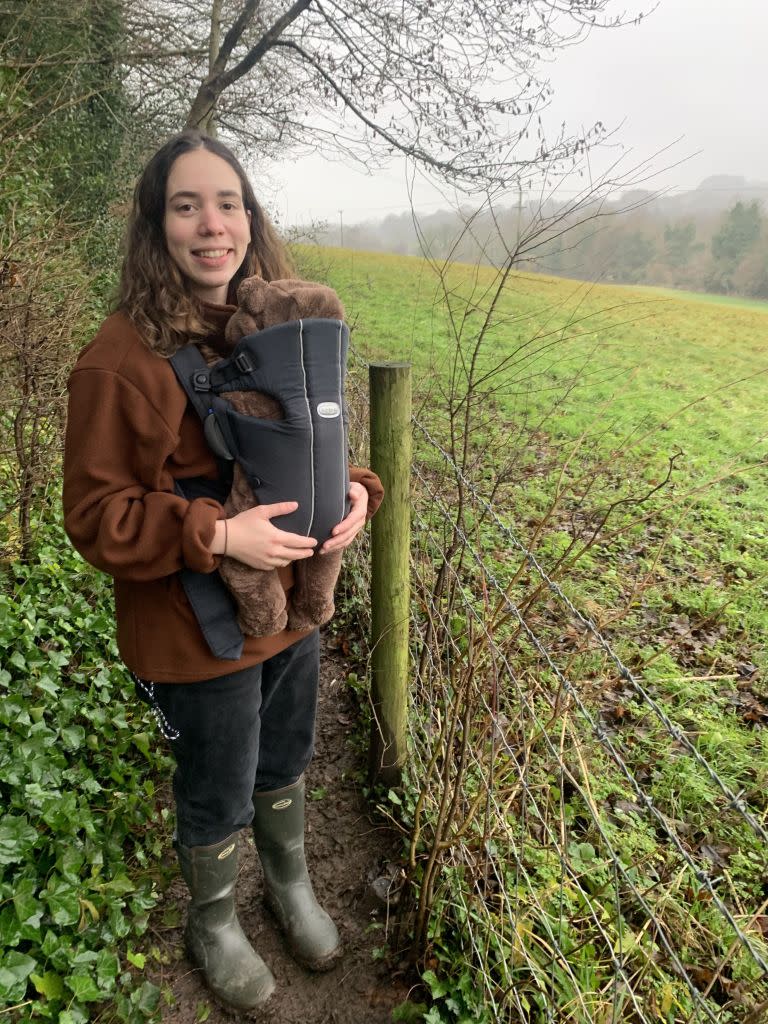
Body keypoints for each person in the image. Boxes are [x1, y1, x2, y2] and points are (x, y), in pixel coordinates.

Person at [62, 130, 384, 1013]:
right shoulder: (119, 361)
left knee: (284, 754)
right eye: (187, 204)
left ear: (252, 217)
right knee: (217, 778)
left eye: (229, 202)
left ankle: (288, 885)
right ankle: (213, 919)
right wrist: (219, 536)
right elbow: (94, 518)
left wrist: (356, 494)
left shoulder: (281, 325)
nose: (214, 224)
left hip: (291, 612)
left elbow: (313, 442)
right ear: (155, 226)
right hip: (191, 629)